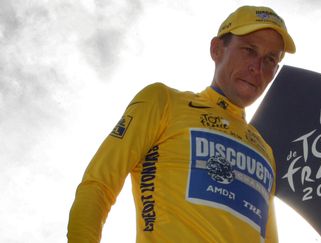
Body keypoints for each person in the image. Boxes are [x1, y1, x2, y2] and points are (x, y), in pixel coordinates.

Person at [67, 5, 296, 243]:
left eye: (270, 59)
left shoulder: (264, 151)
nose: (257, 68)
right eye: (249, 50)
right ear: (217, 49)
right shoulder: (164, 101)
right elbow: (98, 184)